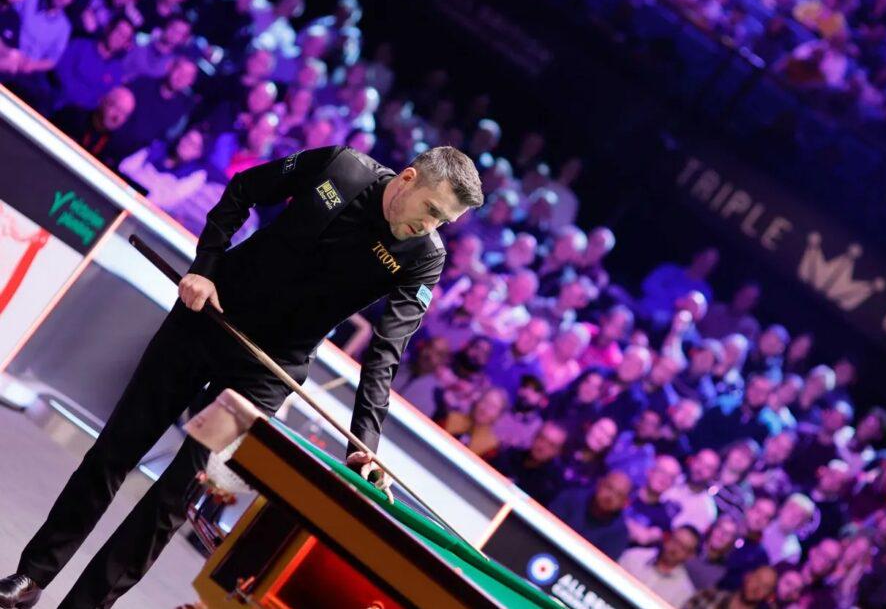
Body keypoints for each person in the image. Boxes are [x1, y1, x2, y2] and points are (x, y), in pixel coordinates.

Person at [0, 146, 483, 609]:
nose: (430, 226)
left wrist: (364, 444)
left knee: (173, 498)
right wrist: (205, 267)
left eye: (443, 221)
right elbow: (243, 189)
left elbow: (385, 353)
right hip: (209, 315)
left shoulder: (426, 257)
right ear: (408, 179)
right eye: (431, 210)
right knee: (115, 451)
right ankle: (33, 575)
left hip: (267, 371)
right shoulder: (342, 167)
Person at [549, 470, 633, 559]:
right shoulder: (571, 498)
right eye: (609, 488)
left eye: (619, 495)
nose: (610, 496)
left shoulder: (619, 534)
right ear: (599, 484)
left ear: (625, 503)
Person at [618, 526, 700, 606]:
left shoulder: (684, 593)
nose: (675, 549)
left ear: (690, 555)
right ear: (668, 537)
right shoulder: (634, 557)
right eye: (675, 541)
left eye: (683, 547)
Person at [683, 565, 777, 609]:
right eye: (757, 579)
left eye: (765, 587)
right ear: (748, 576)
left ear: (768, 595)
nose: (757, 588)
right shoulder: (708, 597)